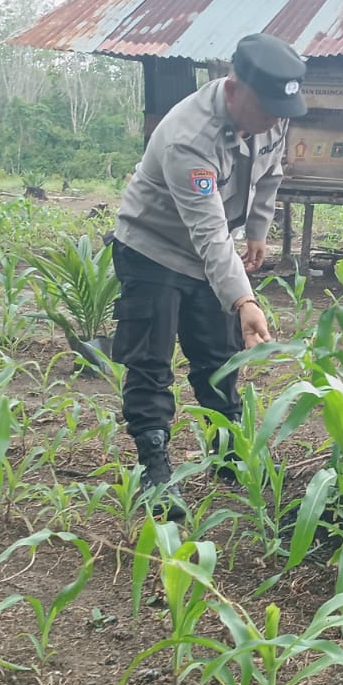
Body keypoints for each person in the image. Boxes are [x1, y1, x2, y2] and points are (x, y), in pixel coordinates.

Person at [109, 32, 307, 517]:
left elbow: (272, 172)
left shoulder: (270, 116)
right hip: (153, 250)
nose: (274, 122)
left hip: (212, 254)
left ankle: (227, 453)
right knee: (151, 362)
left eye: (281, 113)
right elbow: (209, 231)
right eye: (266, 111)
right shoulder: (188, 137)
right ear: (234, 88)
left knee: (220, 356)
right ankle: (154, 470)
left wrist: (258, 227)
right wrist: (243, 299)